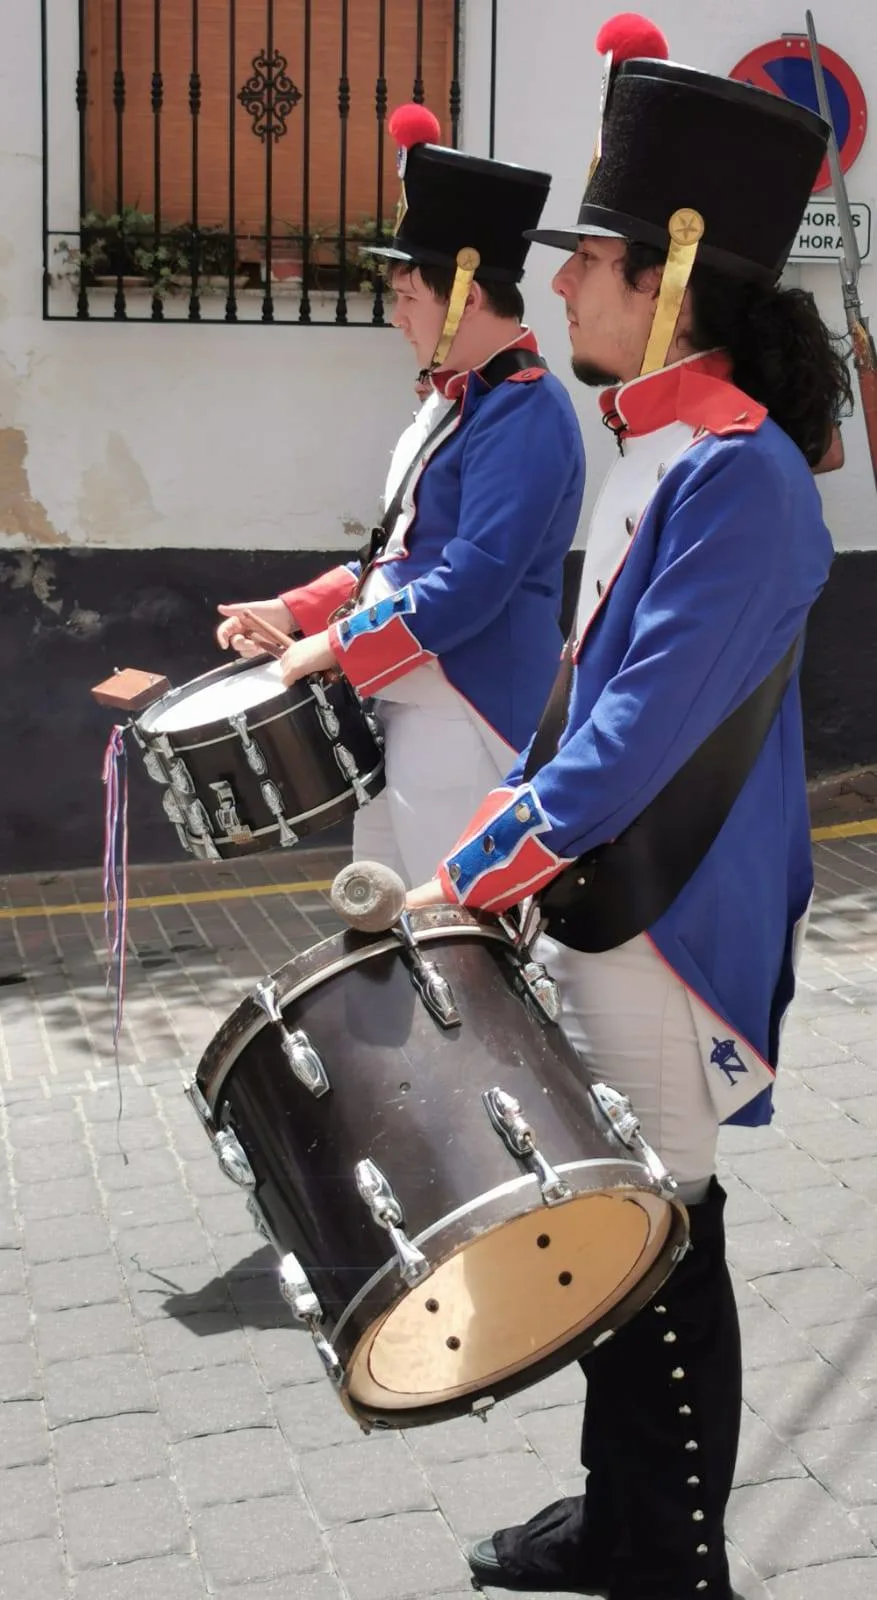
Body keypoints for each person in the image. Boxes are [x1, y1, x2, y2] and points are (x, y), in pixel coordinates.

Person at [405, 15, 852, 1600]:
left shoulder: (738, 473)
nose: (563, 287)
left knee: (662, 1228)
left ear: (667, 277)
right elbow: (585, 713)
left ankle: (670, 1555)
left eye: (586, 259)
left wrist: (470, 867)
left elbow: (629, 745)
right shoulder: (660, 447)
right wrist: (510, 844)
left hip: (667, 908)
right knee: (626, 1228)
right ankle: (624, 1518)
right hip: (614, 893)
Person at [217, 104, 585, 887]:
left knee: (451, 928)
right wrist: (295, 611)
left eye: (409, 299)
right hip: (409, 697)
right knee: (384, 912)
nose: (396, 320)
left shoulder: (524, 408)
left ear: (467, 298)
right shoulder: (460, 399)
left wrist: (337, 647)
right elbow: (398, 553)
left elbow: (474, 578)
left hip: (468, 711)